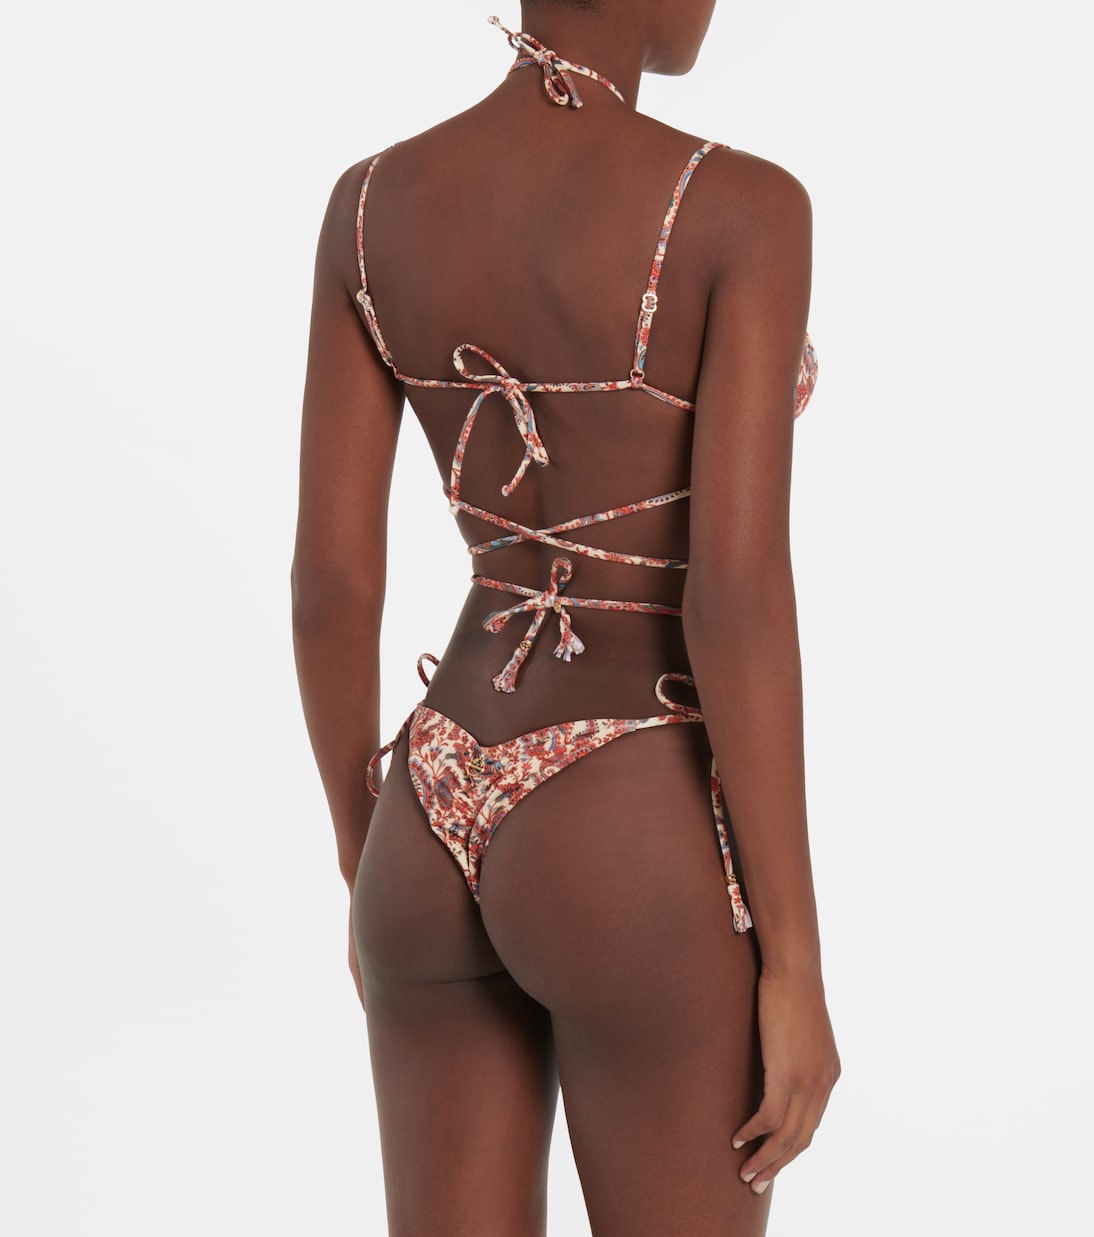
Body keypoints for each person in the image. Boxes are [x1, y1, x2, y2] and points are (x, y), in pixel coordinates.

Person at [292, 2, 840, 1232]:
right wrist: (794, 964)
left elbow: (329, 583)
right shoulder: (739, 207)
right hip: (628, 825)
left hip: (426, 807)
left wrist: (362, 850)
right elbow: (734, 600)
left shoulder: (368, 205)